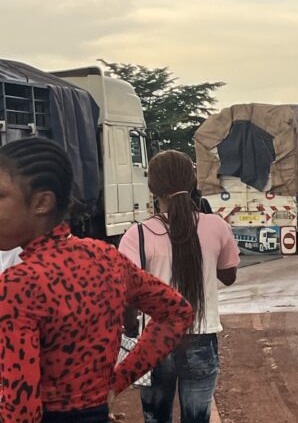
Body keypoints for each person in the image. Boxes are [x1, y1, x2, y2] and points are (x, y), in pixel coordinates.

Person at [0, 138, 193, 422]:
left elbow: (20, 411)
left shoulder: (20, 284)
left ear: (41, 202)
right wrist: (117, 381)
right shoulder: (105, 257)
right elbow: (177, 312)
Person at [119, 150, 240, 423]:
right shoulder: (216, 227)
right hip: (201, 337)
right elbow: (229, 276)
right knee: (197, 417)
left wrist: (129, 327)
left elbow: (126, 294)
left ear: (152, 187)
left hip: (155, 340)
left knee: (155, 418)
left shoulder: (137, 234)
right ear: (193, 181)